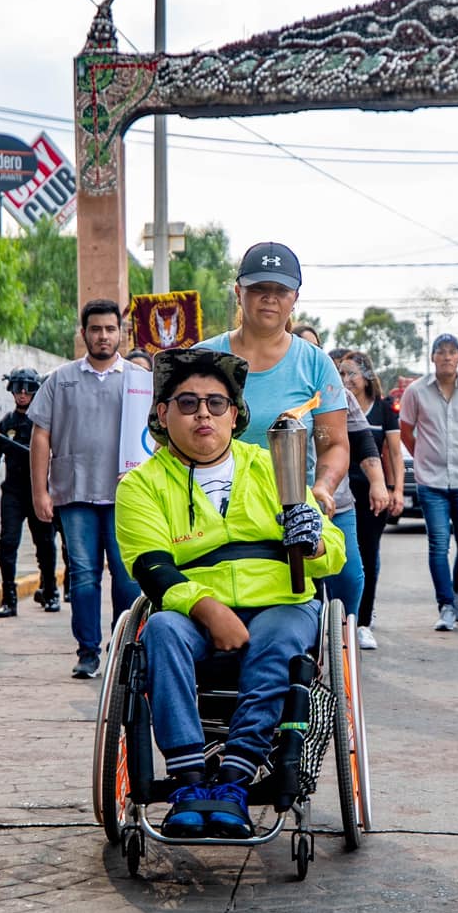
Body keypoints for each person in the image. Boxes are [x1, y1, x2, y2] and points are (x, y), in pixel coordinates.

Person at [114, 349, 344, 839]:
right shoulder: (141, 485)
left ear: (236, 414)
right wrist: (208, 609)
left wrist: (315, 538)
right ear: (162, 413)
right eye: (189, 402)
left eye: (216, 404)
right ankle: (190, 781)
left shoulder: (272, 465)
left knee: (280, 639)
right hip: (194, 610)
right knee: (159, 628)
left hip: (281, 599)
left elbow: (334, 553)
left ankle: (237, 777)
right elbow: (151, 567)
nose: (203, 414)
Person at [199, 244, 361, 632]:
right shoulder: (204, 358)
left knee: (348, 579)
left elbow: (334, 443)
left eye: (281, 290)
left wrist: (322, 489)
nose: (269, 298)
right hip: (215, 504)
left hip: (292, 506)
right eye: (258, 288)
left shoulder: (315, 364)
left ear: (295, 299)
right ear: (239, 293)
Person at [30, 299, 139, 678]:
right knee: (83, 575)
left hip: (126, 497)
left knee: (127, 576)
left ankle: (123, 648)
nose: (103, 336)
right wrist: (39, 492)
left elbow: (156, 438)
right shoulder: (61, 380)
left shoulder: (139, 381)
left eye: (110, 329)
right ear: (84, 334)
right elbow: (40, 435)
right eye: (95, 329)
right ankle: (88, 652)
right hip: (74, 494)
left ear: (121, 332)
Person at [398, 334, 458, 631]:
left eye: (453, 352)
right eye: (441, 352)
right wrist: (425, 458)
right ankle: (446, 605)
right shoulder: (416, 392)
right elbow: (406, 430)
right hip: (432, 482)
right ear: (433, 358)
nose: (447, 357)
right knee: (438, 544)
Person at [332, 348, 400, 650]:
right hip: (338, 485)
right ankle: (332, 621)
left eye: (351, 374)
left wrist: (393, 488)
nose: (346, 379)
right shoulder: (329, 403)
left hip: (372, 491)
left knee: (366, 556)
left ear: (366, 376)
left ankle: (362, 623)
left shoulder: (383, 409)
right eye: (341, 373)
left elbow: (394, 452)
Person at [0, 366, 59, 618]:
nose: (22, 394)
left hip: (40, 490)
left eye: (28, 388)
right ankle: (9, 598)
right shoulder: (6, 422)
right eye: (18, 388)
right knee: (7, 543)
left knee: (45, 544)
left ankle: (50, 591)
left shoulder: (45, 420)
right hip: (13, 492)